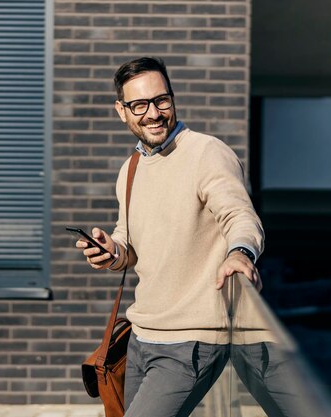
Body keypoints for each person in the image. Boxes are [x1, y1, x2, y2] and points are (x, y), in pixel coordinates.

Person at [75, 57, 264, 417]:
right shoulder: (131, 169)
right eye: (139, 105)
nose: (153, 113)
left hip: (192, 339)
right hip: (142, 336)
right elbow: (128, 244)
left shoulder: (207, 153)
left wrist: (240, 253)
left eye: (162, 100)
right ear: (122, 111)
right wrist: (110, 250)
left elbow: (240, 214)